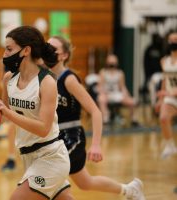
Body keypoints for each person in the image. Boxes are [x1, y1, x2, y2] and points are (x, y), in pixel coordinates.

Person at [46, 36, 146, 200]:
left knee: (50, 176)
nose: (48, 51)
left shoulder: (69, 79)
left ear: (64, 55)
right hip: (54, 136)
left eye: (53, 48)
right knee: (85, 182)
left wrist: (96, 145)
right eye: (46, 46)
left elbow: (95, 111)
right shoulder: (45, 77)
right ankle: (129, 190)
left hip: (72, 136)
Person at [0, 26, 75, 200]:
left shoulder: (46, 81)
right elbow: (4, 114)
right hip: (27, 156)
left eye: (9, 49)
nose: (4, 54)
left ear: (26, 50)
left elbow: (43, 128)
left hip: (50, 156)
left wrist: (7, 113)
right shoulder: (9, 78)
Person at [97, 54, 139, 126]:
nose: (112, 66)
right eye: (110, 64)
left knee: (132, 101)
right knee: (101, 99)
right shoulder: (103, 72)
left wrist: (126, 94)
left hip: (117, 94)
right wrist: (103, 93)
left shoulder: (120, 73)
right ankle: (105, 118)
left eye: (113, 64)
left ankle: (133, 119)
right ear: (107, 63)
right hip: (106, 94)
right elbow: (100, 86)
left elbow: (122, 87)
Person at [157, 31, 177, 159]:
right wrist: (161, 98)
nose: (173, 43)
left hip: (174, 93)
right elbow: (164, 80)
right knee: (163, 118)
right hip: (170, 96)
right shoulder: (164, 61)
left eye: (175, 40)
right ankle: (170, 146)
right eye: (171, 40)